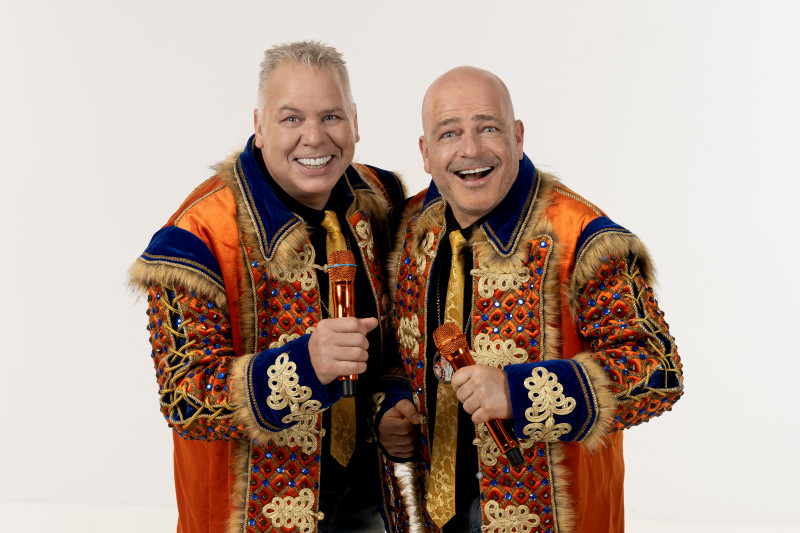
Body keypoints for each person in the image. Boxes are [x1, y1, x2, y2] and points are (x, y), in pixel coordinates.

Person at [375, 66, 683, 532]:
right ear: (425, 153)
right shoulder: (408, 226)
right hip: (431, 513)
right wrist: (392, 405)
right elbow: (396, 354)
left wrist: (519, 393)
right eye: (449, 133)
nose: (470, 149)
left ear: (517, 137)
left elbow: (657, 372)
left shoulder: (584, 240)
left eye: (488, 128)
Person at [129, 41, 405, 533]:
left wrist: (390, 403)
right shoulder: (196, 237)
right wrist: (304, 367)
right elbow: (184, 399)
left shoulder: (380, 196)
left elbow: (401, 337)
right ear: (259, 126)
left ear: (355, 122)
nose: (314, 137)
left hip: (372, 502)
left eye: (331, 116)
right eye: (291, 118)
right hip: (251, 516)